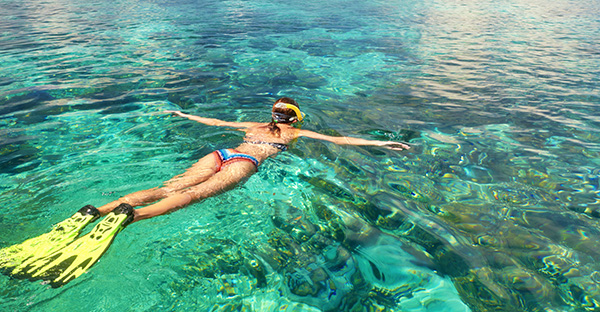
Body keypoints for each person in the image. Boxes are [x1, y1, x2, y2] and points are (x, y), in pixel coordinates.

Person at [0, 98, 409, 287]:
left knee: (166, 186)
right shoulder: (296, 132)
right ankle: (130, 216)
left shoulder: (252, 125)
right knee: (192, 197)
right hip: (244, 162)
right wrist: (382, 144)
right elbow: (340, 142)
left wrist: (182, 113)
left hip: (221, 152)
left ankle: (99, 209)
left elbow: (211, 120)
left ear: (272, 114)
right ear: (295, 118)